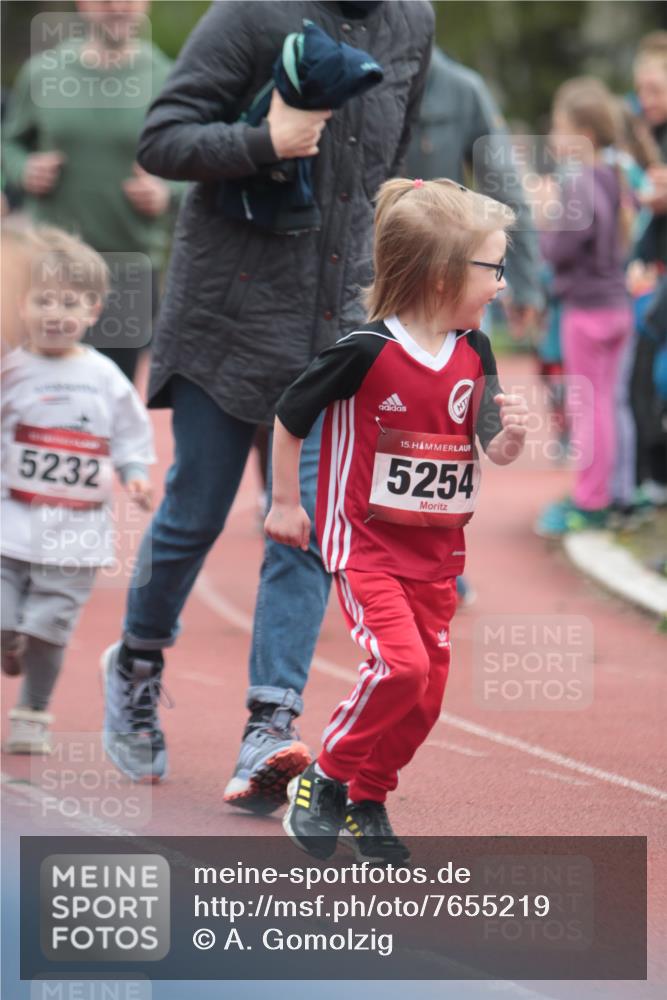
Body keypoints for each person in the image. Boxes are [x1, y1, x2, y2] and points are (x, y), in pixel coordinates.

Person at [98, 0, 435, 805]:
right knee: (194, 514)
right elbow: (162, 139)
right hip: (229, 315)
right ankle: (138, 661)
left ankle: (269, 725)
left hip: (335, 326)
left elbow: (390, 172)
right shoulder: (249, 13)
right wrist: (261, 144)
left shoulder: (413, 21)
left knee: (305, 523)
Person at [263, 177, 527, 862]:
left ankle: (367, 798)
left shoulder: (475, 351)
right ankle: (325, 777)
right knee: (400, 668)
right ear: (442, 275)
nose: (502, 283)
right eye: (493, 268)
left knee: (426, 695)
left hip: (438, 557)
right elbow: (290, 417)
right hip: (366, 547)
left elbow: (491, 444)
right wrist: (286, 503)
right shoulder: (364, 351)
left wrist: (510, 438)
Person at [1, 227, 154, 754]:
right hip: (10, 525)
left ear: (93, 310)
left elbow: (130, 434)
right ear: (21, 305)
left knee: (49, 631)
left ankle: (33, 712)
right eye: (43, 301)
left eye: (69, 303)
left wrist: (134, 473)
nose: (54, 314)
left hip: (75, 536)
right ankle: (9, 640)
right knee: (3, 621)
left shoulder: (104, 376)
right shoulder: (10, 371)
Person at [1, 0, 176, 383]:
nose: (118, 7)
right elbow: (8, 143)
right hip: (51, 263)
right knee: (37, 390)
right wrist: (23, 169)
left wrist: (167, 191)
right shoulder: (43, 72)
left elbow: (197, 162)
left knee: (110, 392)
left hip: (129, 265)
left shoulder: (169, 77)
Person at [536, 78, 634, 536]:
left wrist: (545, 217)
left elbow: (560, 249)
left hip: (588, 311)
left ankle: (591, 501)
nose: (553, 138)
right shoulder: (611, 176)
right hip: (617, 308)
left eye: (559, 128)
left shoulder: (579, 183)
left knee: (590, 408)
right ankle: (616, 491)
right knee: (610, 405)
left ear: (584, 135)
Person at [405, 46, 543, 336]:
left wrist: (524, 283)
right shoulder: (341, 78)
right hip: (358, 280)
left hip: (442, 279)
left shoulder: (461, 90)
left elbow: (505, 188)